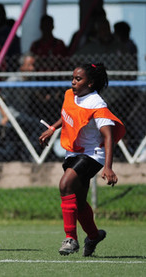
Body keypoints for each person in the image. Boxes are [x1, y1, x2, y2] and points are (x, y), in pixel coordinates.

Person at [38, 63, 125, 257]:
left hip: (93, 154)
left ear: (91, 83)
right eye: (73, 78)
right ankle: (93, 236)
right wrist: (52, 128)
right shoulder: (71, 95)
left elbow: (108, 136)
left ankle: (71, 239)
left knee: (65, 185)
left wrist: (108, 167)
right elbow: (69, 114)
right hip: (74, 153)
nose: (73, 82)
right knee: (78, 200)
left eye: (78, 79)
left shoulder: (97, 103)